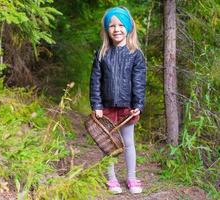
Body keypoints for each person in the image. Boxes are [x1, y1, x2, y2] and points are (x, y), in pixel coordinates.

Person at [89, 6, 146, 194]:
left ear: (128, 27)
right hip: (106, 107)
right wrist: (96, 105)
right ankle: (112, 179)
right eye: (112, 26)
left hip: (127, 108)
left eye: (121, 25)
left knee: (128, 142)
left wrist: (138, 104)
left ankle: (131, 177)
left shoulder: (135, 54)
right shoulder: (102, 53)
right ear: (107, 29)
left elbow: (138, 81)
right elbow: (95, 81)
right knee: (108, 143)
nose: (117, 29)